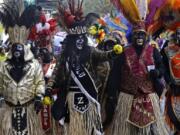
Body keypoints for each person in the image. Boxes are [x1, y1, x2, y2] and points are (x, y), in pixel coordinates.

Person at [47, 1, 123, 135]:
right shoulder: (65, 55)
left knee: (89, 126)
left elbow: (103, 56)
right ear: (72, 41)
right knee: (71, 126)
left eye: (83, 37)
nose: (81, 40)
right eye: (77, 38)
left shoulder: (91, 51)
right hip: (70, 95)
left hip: (89, 93)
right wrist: (48, 89)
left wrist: (113, 53)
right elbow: (56, 73)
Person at [107, 22, 168, 135]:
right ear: (132, 36)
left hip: (149, 97)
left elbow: (162, 67)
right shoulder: (124, 52)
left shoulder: (153, 51)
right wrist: (111, 94)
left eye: (142, 34)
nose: (139, 37)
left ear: (146, 36)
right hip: (127, 98)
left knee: (151, 130)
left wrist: (158, 72)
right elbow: (115, 74)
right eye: (136, 34)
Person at [0, 2, 45, 135]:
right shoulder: (3, 66)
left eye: (19, 48)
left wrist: (39, 96)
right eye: (15, 49)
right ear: (11, 50)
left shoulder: (34, 65)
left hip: (28, 108)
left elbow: (40, 82)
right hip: (9, 109)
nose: (17, 51)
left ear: (24, 49)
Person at [162, 26, 180, 134]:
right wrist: (169, 81)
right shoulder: (167, 50)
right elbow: (163, 68)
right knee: (173, 119)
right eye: (178, 33)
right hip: (174, 91)